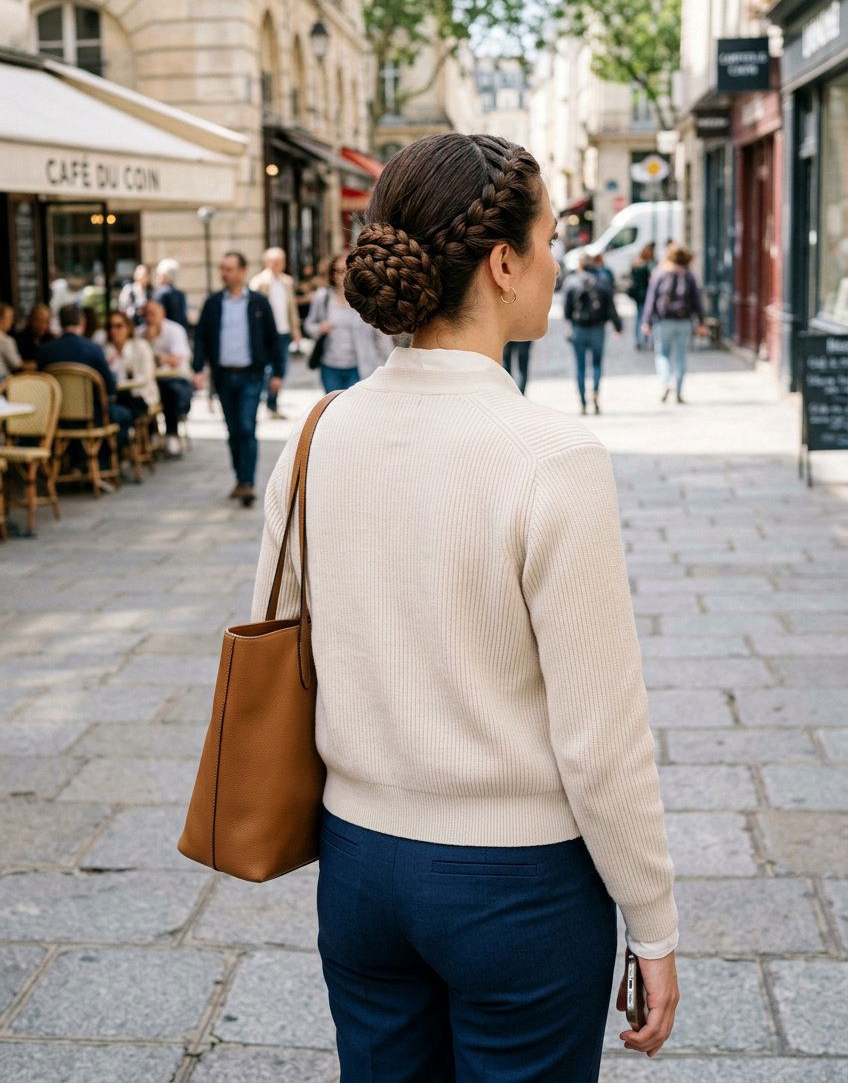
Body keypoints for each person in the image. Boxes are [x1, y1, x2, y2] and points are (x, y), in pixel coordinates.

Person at [252, 133, 679, 1081]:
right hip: (517, 883)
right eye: (551, 236)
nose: (559, 259)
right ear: (501, 263)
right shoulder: (550, 459)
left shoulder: (318, 436)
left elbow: (281, 649)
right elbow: (600, 737)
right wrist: (653, 922)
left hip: (360, 865)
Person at [192, 251, 282, 505]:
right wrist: (198, 368)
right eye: (222, 269)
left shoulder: (258, 303)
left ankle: (248, 483)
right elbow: (201, 338)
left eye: (229, 269)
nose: (224, 274)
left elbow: (273, 339)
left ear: (242, 271)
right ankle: (240, 479)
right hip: (223, 376)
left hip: (251, 375)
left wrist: (277, 373)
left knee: (246, 426)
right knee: (232, 431)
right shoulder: (213, 303)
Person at [36, 304, 132, 462]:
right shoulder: (92, 348)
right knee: (125, 415)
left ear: (60, 323)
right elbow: (110, 387)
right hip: (92, 417)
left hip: (56, 418)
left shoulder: (45, 350)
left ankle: (75, 462)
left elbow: (42, 387)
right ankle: (102, 462)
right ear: (82, 322)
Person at [303, 253, 393, 393]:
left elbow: (380, 333)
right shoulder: (323, 297)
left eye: (347, 270)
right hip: (330, 366)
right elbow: (308, 326)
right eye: (339, 271)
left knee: (356, 410)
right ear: (332, 274)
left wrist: (390, 361)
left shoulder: (365, 298)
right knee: (333, 409)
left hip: (358, 366)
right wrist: (320, 328)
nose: (343, 275)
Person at [642, 244, 708, 404]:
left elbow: (651, 299)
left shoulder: (660, 273)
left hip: (663, 321)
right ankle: (678, 391)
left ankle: (665, 382)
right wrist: (701, 322)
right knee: (681, 356)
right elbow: (697, 301)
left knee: (662, 354)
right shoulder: (689, 275)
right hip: (684, 321)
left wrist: (646, 321)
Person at [564, 251, 622, 415]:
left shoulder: (572, 281)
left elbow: (567, 309)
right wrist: (618, 326)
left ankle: (582, 402)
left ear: (580, 265)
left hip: (578, 327)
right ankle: (595, 392)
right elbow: (611, 307)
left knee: (580, 366)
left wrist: (570, 321)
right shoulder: (603, 282)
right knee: (597, 364)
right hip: (597, 328)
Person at [249, 247, 302, 417]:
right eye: (276, 261)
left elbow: (291, 308)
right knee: (267, 370)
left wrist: (296, 330)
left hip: (284, 332)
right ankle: (264, 401)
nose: (280, 264)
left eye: (282, 261)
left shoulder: (287, 281)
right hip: (266, 335)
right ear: (268, 262)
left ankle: (272, 404)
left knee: (280, 370)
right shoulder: (258, 282)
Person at [141, 301, 193, 457]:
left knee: (171, 391)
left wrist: (158, 358)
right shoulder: (141, 333)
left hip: (177, 380)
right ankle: (151, 435)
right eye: (146, 314)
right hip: (153, 381)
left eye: (153, 314)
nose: (149, 318)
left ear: (162, 314)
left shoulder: (174, 330)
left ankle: (171, 434)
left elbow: (176, 360)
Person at [104, 311, 159, 420]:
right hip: (116, 397)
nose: (113, 331)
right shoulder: (106, 350)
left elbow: (145, 378)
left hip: (140, 395)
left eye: (118, 326)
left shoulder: (140, 346)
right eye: (110, 326)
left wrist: (121, 383)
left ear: (128, 328)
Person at [627, 242, 656, 350]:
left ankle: (639, 339)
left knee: (639, 317)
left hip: (638, 295)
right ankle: (646, 338)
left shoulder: (636, 264)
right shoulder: (648, 266)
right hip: (646, 294)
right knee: (647, 317)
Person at [153, 259, 190, 331]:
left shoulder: (160, 293)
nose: (156, 278)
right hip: (180, 331)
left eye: (158, 275)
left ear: (164, 275)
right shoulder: (181, 294)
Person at [15, 303, 55, 368]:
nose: (41, 325)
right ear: (30, 320)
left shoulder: (52, 340)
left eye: (45, 321)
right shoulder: (18, 339)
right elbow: (18, 365)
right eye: (38, 320)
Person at [0, 303, 23, 384]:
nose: (12, 321)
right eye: (10, 318)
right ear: (1, 319)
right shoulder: (5, 340)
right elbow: (17, 365)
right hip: (5, 386)